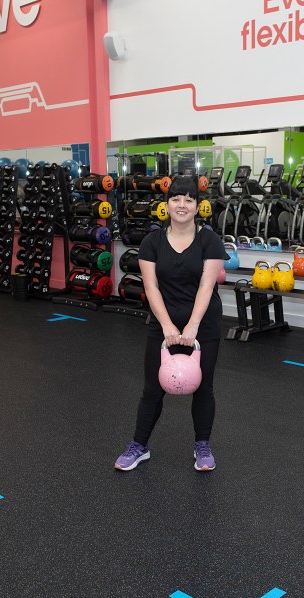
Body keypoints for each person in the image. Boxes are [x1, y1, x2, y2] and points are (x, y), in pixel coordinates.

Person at [114, 176, 227, 472]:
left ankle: (202, 445)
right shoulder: (152, 241)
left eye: (189, 200)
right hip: (164, 322)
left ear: (198, 206)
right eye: (176, 199)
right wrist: (166, 325)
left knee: (203, 388)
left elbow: (206, 287)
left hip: (203, 323)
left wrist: (191, 327)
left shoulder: (210, 240)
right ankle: (139, 446)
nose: (182, 205)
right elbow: (150, 287)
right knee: (152, 389)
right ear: (166, 205)